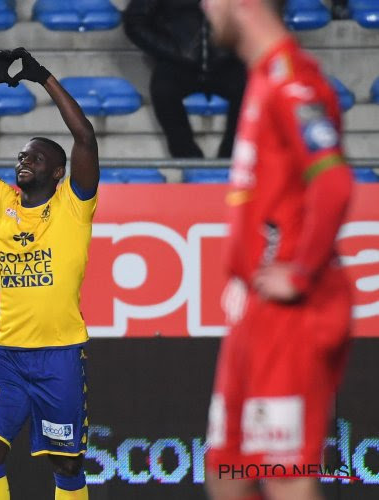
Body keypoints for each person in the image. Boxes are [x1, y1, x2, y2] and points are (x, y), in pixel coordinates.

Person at [201, 0, 354, 497]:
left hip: (290, 314)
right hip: (252, 311)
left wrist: (301, 272)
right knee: (225, 469)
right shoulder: (263, 80)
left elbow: (332, 181)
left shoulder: (293, 81)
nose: (204, 8)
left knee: (282, 475)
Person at [0, 48, 99, 500]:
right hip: (8, 356)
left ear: (58, 172)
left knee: (67, 462)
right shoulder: (2, 204)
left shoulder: (74, 206)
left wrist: (44, 79)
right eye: (21, 156)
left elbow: (85, 138)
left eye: (35, 159)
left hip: (59, 356)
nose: (24, 162)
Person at [122, 0, 246, 158]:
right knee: (162, 89)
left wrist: (234, 50)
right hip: (178, 62)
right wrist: (174, 51)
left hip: (227, 62)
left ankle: (229, 159)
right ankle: (189, 159)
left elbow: (262, 17)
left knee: (250, 87)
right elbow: (134, 21)